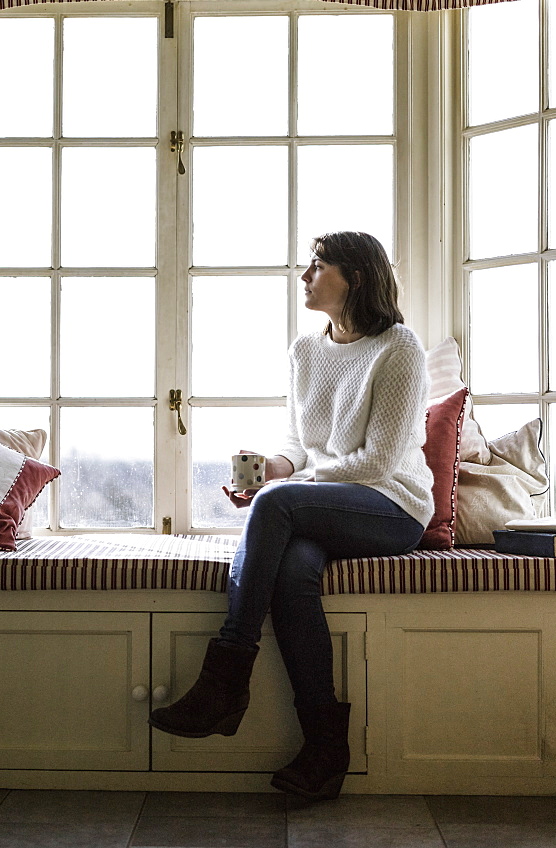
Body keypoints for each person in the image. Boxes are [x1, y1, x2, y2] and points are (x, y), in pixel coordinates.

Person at [149, 231, 434, 801]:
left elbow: (377, 461)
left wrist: (283, 492)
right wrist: (268, 471)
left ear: (354, 277)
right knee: (292, 571)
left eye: (317, 265)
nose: (304, 276)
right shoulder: (305, 351)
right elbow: (298, 447)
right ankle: (325, 750)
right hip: (326, 504)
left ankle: (227, 677)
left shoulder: (399, 348)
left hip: (392, 506)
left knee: (277, 506)